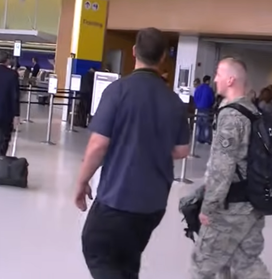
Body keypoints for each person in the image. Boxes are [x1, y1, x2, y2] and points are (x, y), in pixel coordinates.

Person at [75, 27, 190, 279]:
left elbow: (98, 145)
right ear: (162, 58)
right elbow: (182, 150)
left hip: (119, 198)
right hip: (153, 205)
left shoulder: (117, 91)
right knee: (127, 259)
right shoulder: (174, 102)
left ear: (134, 51)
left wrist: (82, 181)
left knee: (96, 248)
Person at [191, 57, 270, 279]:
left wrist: (209, 207)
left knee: (202, 265)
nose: (215, 78)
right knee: (244, 263)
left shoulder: (231, 116)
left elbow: (221, 167)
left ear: (231, 79)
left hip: (229, 208)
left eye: (218, 73)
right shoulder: (252, 111)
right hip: (252, 203)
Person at [193, 75, 215, 144]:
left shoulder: (198, 88)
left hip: (198, 109)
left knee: (198, 125)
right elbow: (212, 99)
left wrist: (197, 105)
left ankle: (197, 139)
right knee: (206, 125)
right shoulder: (209, 89)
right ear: (207, 81)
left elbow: (195, 98)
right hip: (206, 109)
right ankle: (206, 140)